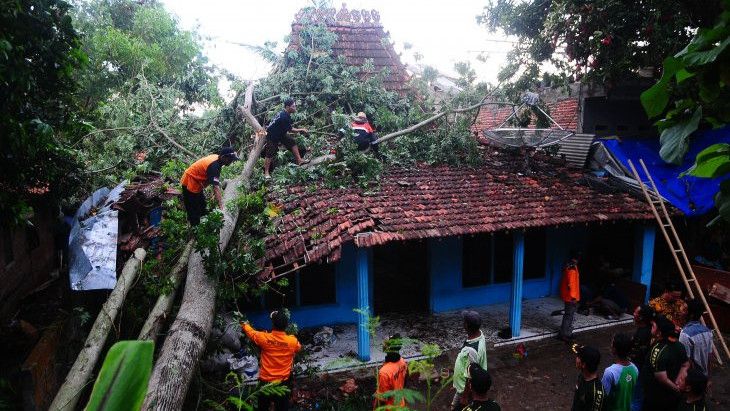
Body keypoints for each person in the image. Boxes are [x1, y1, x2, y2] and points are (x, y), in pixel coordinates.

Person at [241, 310, 301, 411]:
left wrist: (244, 323)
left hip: (265, 383)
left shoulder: (263, 338)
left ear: (272, 324)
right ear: (286, 326)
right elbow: (298, 348)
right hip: (283, 383)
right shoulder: (292, 341)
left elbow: (250, 332)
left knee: (263, 408)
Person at [180, 147, 239, 226]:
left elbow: (213, 178)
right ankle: (195, 230)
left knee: (202, 206)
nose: (231, 161)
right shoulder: (214, 166)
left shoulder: (217, 159)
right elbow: (216, 188)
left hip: (197, 184)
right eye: (230, 159)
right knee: (193, 210)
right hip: (189, 182)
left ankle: (205, 225)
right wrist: (221, 206)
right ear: (223, 157)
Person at [643, 315, 690, 411]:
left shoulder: (658, 350)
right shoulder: (679, 345)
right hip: (672, 397)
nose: (650, 328)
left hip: (657, 396)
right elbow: (685, 365)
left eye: (653, 326)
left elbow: (662, 378)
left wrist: (677, 390)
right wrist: (678, 382)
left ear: (659, 332)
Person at [451, 310, 489, 411]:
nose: (463, 323)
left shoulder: (471, 350)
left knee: (457, 407)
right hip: (463, 385)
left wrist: (464, 395)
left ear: (466, 326)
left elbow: (470, 375)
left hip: (465, 388)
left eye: (464, 322)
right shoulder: (480, 335)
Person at [263, 98, 309, 179]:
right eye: (293, 106)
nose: (295, 108)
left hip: (280, 133)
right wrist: (301, 129)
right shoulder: (284, 116)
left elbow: (286, 128)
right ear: (287, 107)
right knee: (270, 153)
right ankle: (266, 172)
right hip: (272, 135)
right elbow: (291, 129)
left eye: (295, 106)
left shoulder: (284, 113)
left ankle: (299, 160)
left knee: (292, 142)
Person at [602, 333, 638, 411]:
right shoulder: (635, 369)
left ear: (614, 349)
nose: (610, 345)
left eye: (612, 343)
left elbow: (603, 397)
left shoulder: (610, 372)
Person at [679, 299, 714, 377]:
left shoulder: (685, 334)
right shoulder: (708, 331)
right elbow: (709, 356)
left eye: (684, 310)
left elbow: (686, 362)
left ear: (690, 315)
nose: (680, 311)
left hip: (692, 377)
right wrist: (709, 378)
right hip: (703, 376)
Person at [629, 305, 655, 411]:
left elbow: (635, 353)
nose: (633, 314)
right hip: (643, 369)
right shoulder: (647, 330)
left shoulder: (643, 334)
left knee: (635, 399)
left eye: (635, 312)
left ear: (641, 317)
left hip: (639, 369)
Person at [375, 334, 408, 409]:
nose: (383, 344)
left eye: (385, 343)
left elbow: (382, 398)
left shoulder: (384, 372)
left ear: (388, 348)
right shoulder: (402, 361)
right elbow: (405, 377)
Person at [571, 344, 605, 411]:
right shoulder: (581, 376)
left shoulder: (596, 392)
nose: (576, 358)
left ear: (583, 364)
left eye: (578, 357)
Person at [559, 254, 581, 342]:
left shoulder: (569, 268)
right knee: (568, 315)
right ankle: (564, 334)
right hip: (571, 297)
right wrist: (573, 297)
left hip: (569, 296)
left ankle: (567, 332)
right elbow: (571, 285)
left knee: (569, 315)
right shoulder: (571, 270)